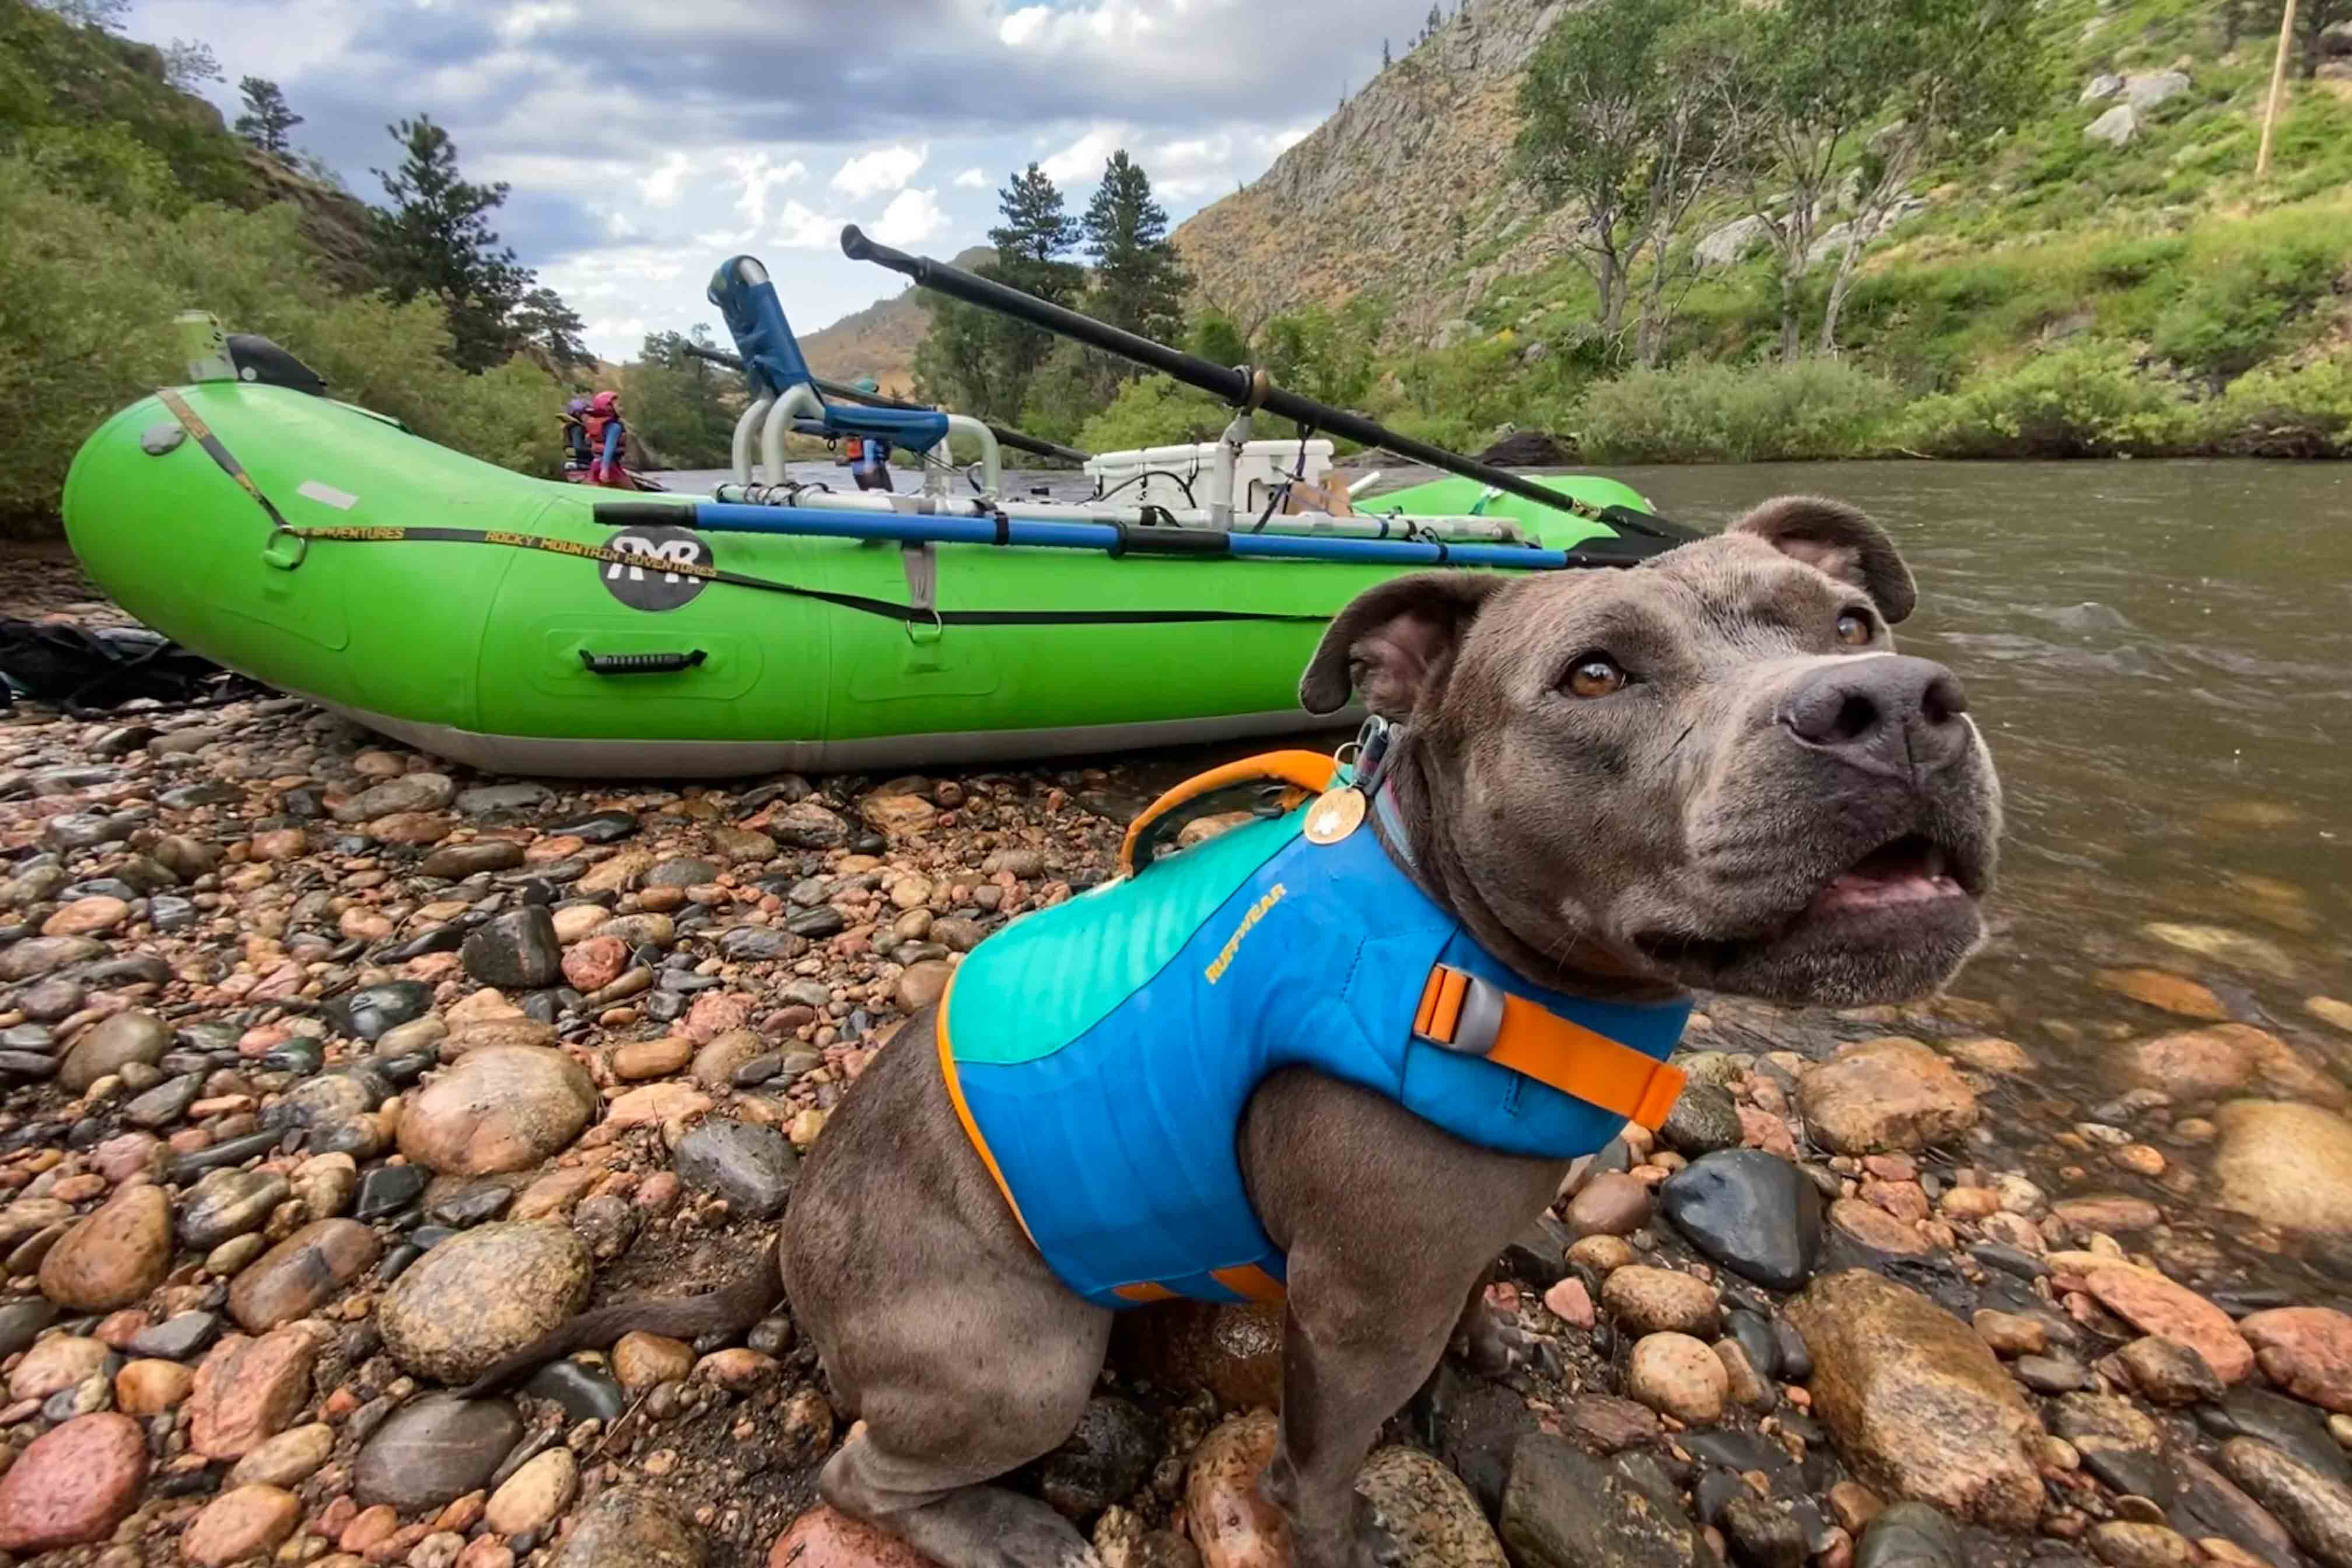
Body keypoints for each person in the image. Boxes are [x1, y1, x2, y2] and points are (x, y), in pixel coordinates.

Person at [846, 375, 894, 493]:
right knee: (886, 496)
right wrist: (869, 464)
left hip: (858, 469)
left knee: (870, 496)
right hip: (871, 466)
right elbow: (869, 439)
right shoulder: (868, 415)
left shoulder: (853, 415)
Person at [581, 390, 634, 489]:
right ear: (608, 407)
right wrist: (604, 470)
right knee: (632, 493)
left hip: (596, 464)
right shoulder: (615, 427)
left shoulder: (596, 424)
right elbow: (609, 448)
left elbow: (589, 441)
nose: (621, 408)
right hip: (610, 467)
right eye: (617, 405)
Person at [559, 397, 593, 480]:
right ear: (578, 414)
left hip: (578, 462)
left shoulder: (574, 427)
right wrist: (595, 451)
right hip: (581, 462)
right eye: (587, 414)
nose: (590, 416)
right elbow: (578, 447)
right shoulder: (577, 429)